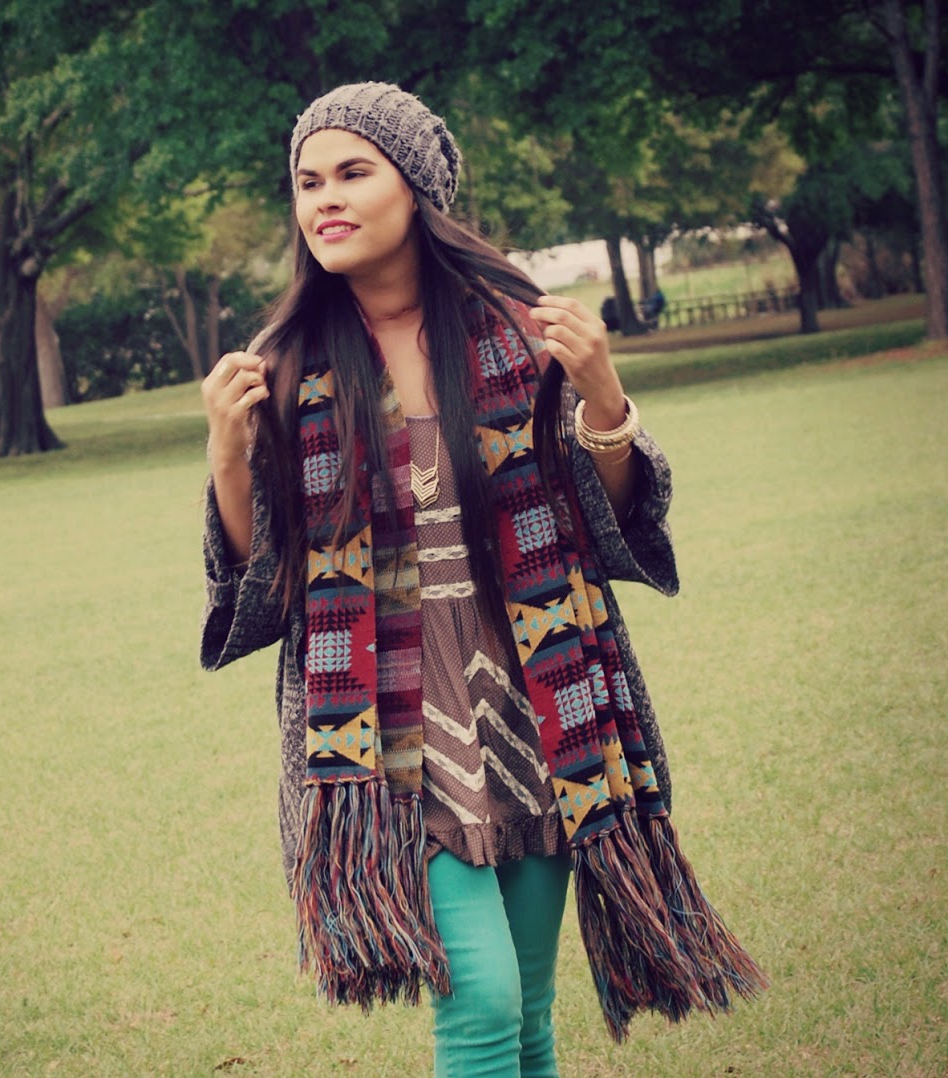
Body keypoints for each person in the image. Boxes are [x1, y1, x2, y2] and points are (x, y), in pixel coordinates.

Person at [199, 82, 764, 1077]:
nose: (325, 199)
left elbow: (614, 524)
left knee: (530, 1010)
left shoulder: (516, 334)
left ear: (415, 186)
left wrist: (603, 398)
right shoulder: (283, 368)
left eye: (351, 173)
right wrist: (227, 452)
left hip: (539, 705)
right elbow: (261, 584)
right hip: (383, 734)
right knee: (484, 1003)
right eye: (307, 182)